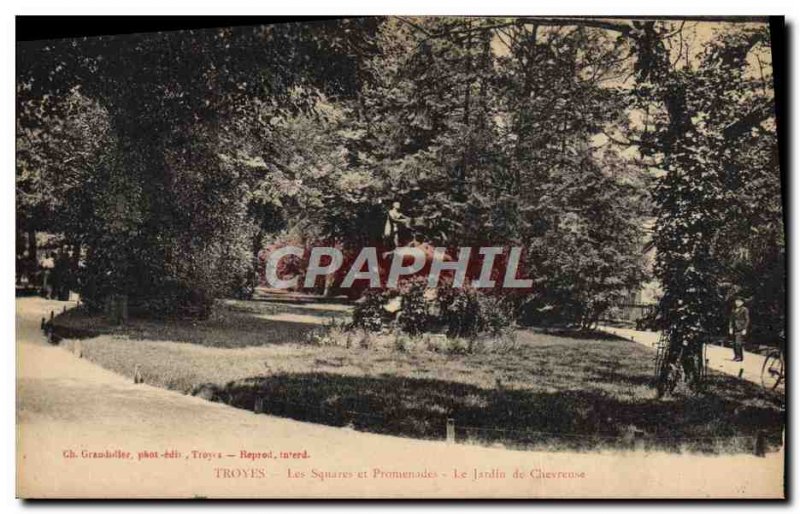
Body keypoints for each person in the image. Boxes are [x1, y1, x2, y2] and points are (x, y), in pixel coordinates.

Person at [729, 297, 750, 362]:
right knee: (734, 343)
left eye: (739, 301)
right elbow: (731, 320)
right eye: (736, 301)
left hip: (740, 328)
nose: (737, 303)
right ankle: (737, 356)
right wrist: (730, 328)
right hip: (734, 328)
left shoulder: (744, 309)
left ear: (742, 302)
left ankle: (739, 357)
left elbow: (747, 320)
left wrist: (744, 329)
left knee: (738, 343)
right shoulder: (733, 309)